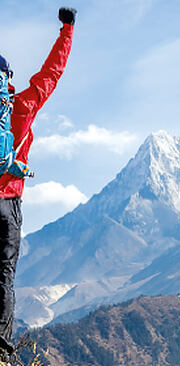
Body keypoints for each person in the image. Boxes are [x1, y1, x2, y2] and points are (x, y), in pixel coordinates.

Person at [0, 7, 76, 357]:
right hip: (9, 204)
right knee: (4, 275)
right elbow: (51, 73)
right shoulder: (22, 107)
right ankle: (0, 349)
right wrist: (67, 29)